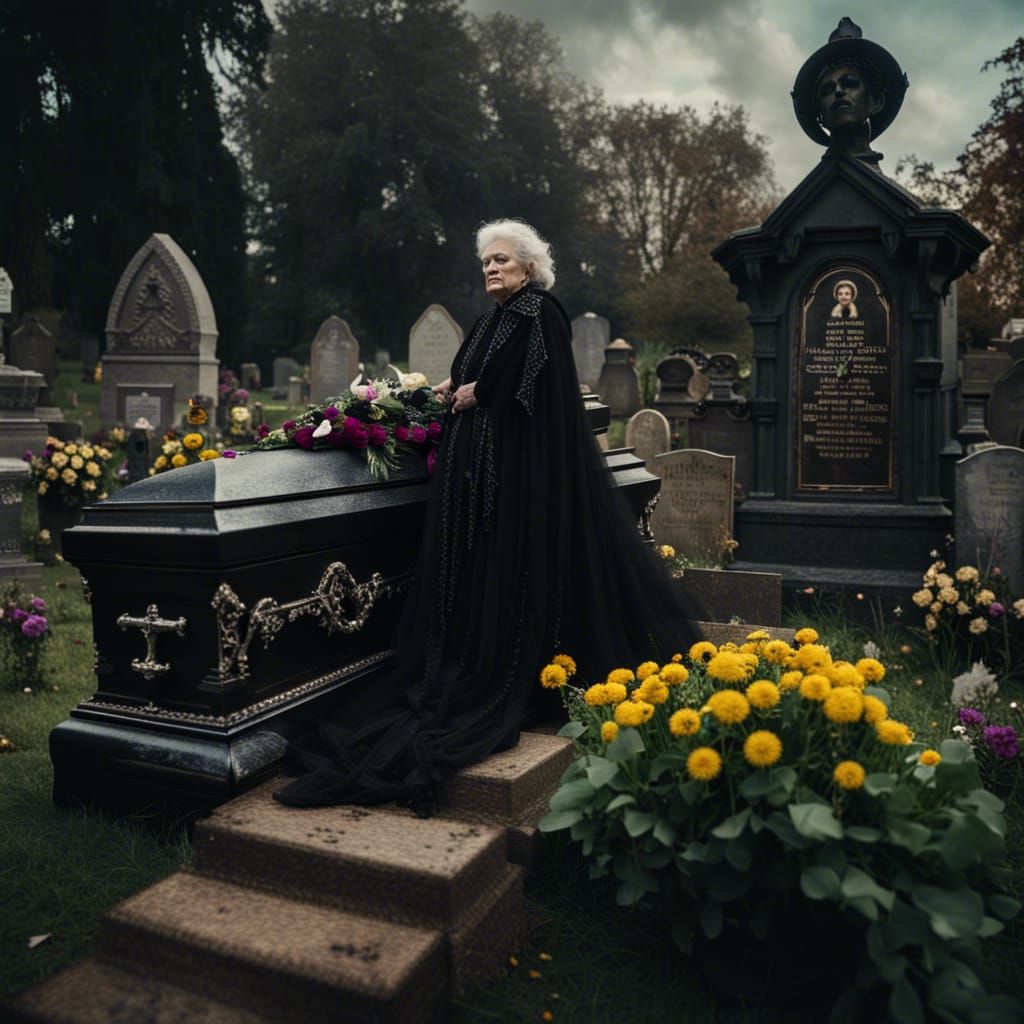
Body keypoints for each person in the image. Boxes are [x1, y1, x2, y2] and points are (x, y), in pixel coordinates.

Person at [274, 219, 703, 812]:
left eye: (502, 260)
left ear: (529, 266)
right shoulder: (489, 320)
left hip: (513, 476)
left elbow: (536, 393)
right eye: (485, 263)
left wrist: (484, 394)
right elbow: (465, 376)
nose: (491, 269)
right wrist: (430, 394)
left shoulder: (539, 312)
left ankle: (510, 669)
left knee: (510, 577)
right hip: (469, 474)